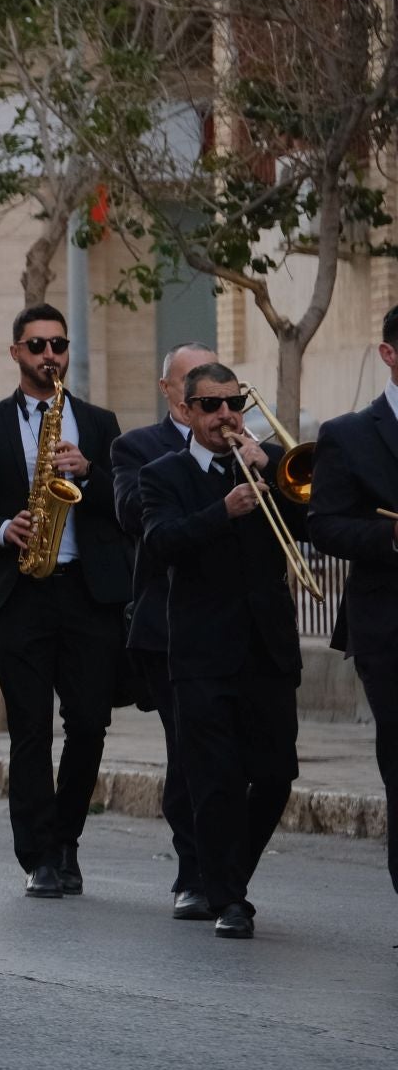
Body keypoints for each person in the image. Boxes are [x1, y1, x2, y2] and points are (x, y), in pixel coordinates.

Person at [0, 304, 132, 898]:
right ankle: (39, 856)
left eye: (58, 345)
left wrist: (91, 473)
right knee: (30, 729)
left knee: (90, 725)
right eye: (37, 346)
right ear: (16, 353)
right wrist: (2, 529)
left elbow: (129, 504)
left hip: (88, 592)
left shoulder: (99, 423)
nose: (49, 355)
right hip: (21, 591)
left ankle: (67, 837)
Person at [140, 363, 304, 939]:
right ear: (186, 412)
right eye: (210, 406)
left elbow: (310, 525)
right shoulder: (163, 475)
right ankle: (232, 899)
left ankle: (227, 875)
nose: (225, 415)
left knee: (278, 773)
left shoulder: (265, 466)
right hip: (201, 654)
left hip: (267, 649)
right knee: (213, 781)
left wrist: (276, 475)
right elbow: (160, 543)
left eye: (233, 403)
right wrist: (223, 511)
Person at [110, 342, 219, 920]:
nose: (209, 396)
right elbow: (132, 517)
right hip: (168, 624)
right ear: (169, 391)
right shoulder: (138, 448)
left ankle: (229, 866)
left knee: (253, 759)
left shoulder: (245, 446)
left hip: (238, 625)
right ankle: (194, 872)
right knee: (188, 753)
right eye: (193, 382)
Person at [307, 305, 398, 912]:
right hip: (389, 624)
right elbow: (324, 526)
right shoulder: (349, 434)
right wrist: (390, 537)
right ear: (389, 354)